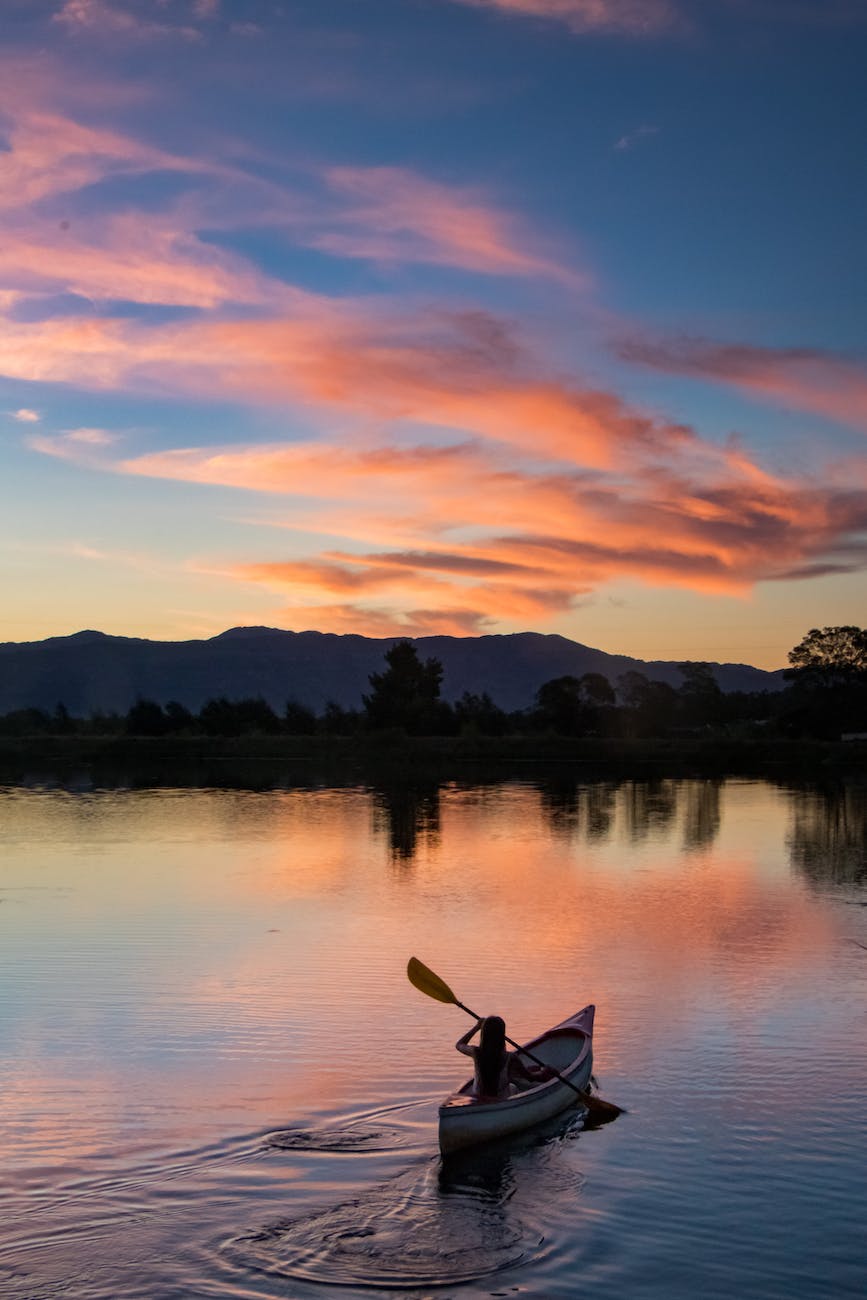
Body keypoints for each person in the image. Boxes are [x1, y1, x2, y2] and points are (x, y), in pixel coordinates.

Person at [455, 1015, 556, 1100]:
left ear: (484, 1034)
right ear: (501, 1035)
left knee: (512, 1079)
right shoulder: (510, 1057)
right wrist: (544, 1071)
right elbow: (530, 1078)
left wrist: (477, 1027)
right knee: (514, 1086)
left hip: (479, 1099)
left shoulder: (475, 1052)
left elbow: (459, 1044)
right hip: (499, 1100)